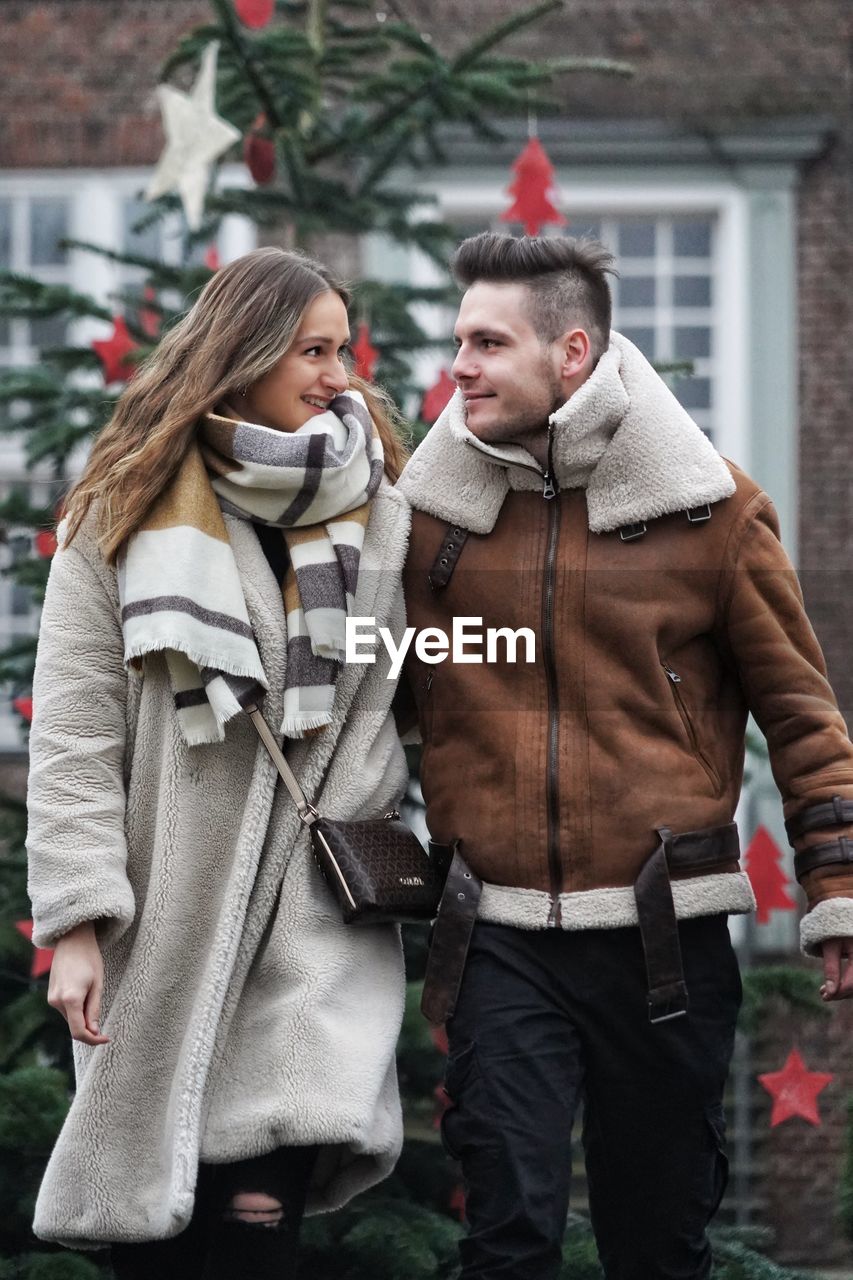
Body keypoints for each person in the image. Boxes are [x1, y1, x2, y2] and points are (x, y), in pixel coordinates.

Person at [397, 231, 853, 1280]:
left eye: (485, 342)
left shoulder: (715, 512)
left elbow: (801, 713)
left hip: (666, 939)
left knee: (658, 1241)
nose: (457, 365)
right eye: (457, 338)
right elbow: (371, 691)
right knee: (505, 1236)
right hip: (494, 937)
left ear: (569, 351)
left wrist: (833, 885)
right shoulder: (429, 524)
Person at [26, 246, 412, 1278]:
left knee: (255, 1223)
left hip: (313, 920)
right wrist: (74, 920)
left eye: (342, 348)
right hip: (167, 917)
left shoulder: (384, 509)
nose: (340, 374)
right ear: (241, 355)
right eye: (312, 350)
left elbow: (414, 693)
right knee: (156, 1244)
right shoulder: (119, 510)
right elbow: (73, 732)